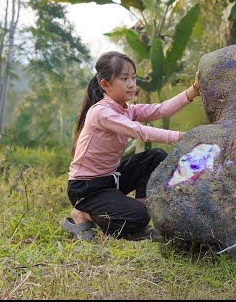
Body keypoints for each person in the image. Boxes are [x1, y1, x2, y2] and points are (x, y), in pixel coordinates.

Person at [61, 50, 200, 241]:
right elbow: (139, 131)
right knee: (138, 216)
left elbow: (162, 109)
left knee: (155, 157)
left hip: (111, 180)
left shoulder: (127, 110)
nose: (131, 84)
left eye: (133, 78)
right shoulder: (101, 113)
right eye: (124, 78)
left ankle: (138, 216)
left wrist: (193, 90)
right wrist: (182, 136)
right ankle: (83, 214)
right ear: (105, 84)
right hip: (86, 188)